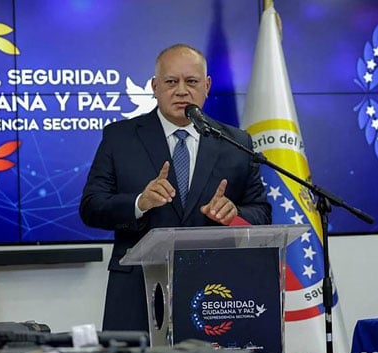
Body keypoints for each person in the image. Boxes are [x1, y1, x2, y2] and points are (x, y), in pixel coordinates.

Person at [80, 43, 271, 332]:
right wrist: (139, 203)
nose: (181, 90)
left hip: (216, 292)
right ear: (155, 86)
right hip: (137, 291)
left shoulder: (236, 143)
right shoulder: (120, 138)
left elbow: (261, 213)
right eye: (171, 82)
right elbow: (91, 207)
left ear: (206, 86)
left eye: (191, 81)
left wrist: (234, 214)